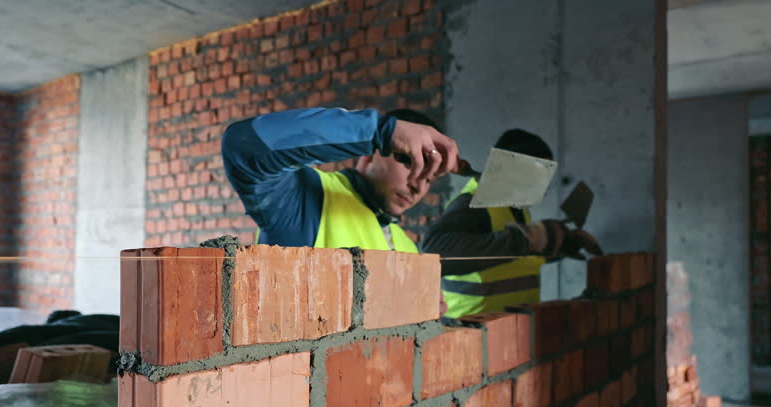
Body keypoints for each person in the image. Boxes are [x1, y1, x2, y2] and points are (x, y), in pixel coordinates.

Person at [420, 129, 602, 319]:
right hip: (469, 330)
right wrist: (529, 238)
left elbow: (509, 259)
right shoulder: (473, 205)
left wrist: (561, 243)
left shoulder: (518, 209)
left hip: (513, 330)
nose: (541, 186)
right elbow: (435, 252)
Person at [221, 107, 458, 252]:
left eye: (430, 179)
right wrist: (379, 131)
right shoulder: (304, 196)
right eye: (410, 163)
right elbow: (244, 145)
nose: (418, 185)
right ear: (371, 155)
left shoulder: (406, 245)